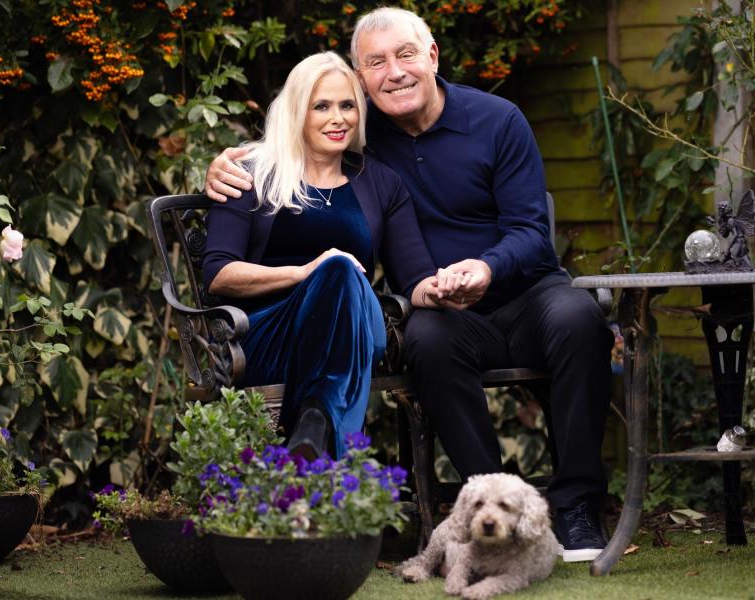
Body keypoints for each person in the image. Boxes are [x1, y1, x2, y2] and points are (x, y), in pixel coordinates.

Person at [204, 8, 615, 563]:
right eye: (375, 63)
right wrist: (225, 165)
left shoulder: (493, 122)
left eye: (405, 55)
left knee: (580, 317)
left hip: (523, 293)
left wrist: (481, 269)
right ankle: (484, 506)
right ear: (360, 75)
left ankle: (576, 507)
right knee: (423, 338)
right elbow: (286, 155)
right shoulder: (348, 140)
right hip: (421, 313)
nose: (393, 73)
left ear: (433, 56)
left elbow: (528, 234)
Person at [202, 51, 444, 460]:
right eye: (322, 106)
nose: (338, 118)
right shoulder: (252, 175)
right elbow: (218, 272)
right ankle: (316, 423)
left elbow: (416, 274)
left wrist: (465, 282)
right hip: (271, 333)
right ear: (298, 110)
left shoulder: (380, 182)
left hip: (356, 324)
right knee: (335, 267)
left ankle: (310, 432)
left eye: (347, 105)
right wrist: (306, 272)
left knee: (342, 274)